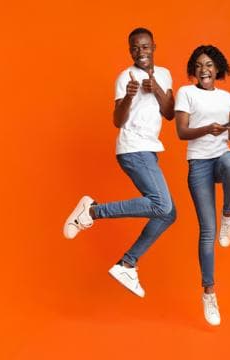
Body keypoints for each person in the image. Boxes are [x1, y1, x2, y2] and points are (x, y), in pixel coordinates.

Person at [63, 28, 176, 298]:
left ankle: (128, 263)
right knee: (162, 204)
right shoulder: (124, 77)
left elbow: (170, 113)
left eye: (145, 47)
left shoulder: (164, 74)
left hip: (149, 149)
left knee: (168, 213)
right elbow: (117, 121)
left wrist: (156, 88)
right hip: (132, 148)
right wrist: (128, 96)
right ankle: (91, 212)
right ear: (130, 51)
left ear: (154, 47)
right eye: (136, 48)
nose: (141, 52)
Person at [174, 45, 230, 325]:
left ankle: (229, 213)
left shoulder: (226, 97)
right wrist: (207, 129)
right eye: (200, 65)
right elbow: (181, 131)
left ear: (218, 69)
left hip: (221, 157)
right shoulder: (185, 93)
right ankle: (209, 292)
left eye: (210, 65)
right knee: (207, 232)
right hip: (199, 163)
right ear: (194, 69)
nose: (205, 69)